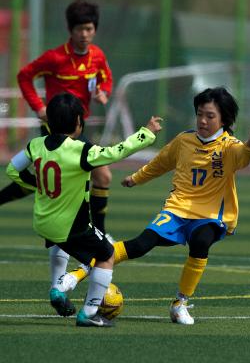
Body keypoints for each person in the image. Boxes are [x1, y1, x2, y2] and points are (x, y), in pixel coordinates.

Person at [62, 87, 250, 325]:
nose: (203, 120)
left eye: (210, 116)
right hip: (177, 209)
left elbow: (242, 156)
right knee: (140, 244)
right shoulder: (184, 140)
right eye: (200, 114)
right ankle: (80, 272)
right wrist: (136, 178)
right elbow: (160, 163)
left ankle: (179, 303)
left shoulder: (229, 146)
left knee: (201, 242)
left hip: (208, 214)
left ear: (224, 119)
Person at [6, 92, 162, 327]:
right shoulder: (81, 150)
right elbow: (116, 151)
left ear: (49, 121)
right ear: (79, 122)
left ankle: (58, 288)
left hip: (43, 223)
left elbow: (12, 170)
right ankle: (88, 313)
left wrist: (37, 185)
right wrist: (146, 133)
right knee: (107, 254)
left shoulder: (35, 145)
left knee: (59, 243)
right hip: (71, 226)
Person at [0, 0, 114, 314]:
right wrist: (38, 107)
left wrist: (104, 91)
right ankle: (68, 268)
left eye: (89, 29)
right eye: (80, 29)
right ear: (70, 30)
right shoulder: (54, 57)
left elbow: (105, 77)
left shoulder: (97, 56)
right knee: (51, 191)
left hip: (77, 131)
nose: (85, 34)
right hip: (55, 132)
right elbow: (25, 76)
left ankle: (94, 231)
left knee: (99, 176)